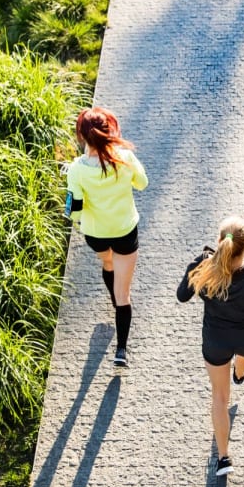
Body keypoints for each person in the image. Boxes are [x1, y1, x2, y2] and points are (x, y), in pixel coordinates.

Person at [177, 216, 244, 477]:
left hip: (216, 340)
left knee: (220, 398)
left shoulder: (204, 266)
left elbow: (181, 295)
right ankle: (240, 374)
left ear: (219, 241)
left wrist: (197, 262)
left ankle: (223, 458)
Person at [65, 106, 148, 367]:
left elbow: (74, 210)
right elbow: (142, 183)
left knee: (107, 263)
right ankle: (121, 351)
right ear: (109, 131)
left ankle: (112, 296)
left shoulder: (76, 170)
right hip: (124, 230)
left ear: (82, 137)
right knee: (124, 295)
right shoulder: (125, 158)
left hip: (95, 234)